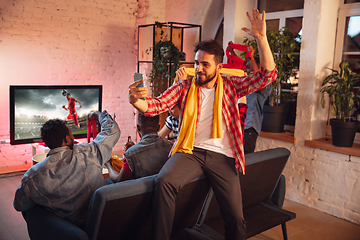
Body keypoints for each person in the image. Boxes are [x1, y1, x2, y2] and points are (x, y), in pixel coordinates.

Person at [128, 9, 276, 240]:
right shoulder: (185, 86)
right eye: (197, 63)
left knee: (236, 218)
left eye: (205, 64)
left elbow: (267, 76)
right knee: (164, 181)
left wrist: (261, 38)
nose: (199, 68)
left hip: (223, 155)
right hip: (190, 151)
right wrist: (136, 100)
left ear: (218, 66)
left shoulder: (230, 87)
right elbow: (157, 105)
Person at [14, 110, 120, 227]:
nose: (73, 136)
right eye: (71, 134)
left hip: (66, 229)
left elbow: (19, 205)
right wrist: (99, 114)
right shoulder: (89, 152)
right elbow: (113, 130)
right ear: (66, 139)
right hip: (101, 223)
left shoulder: (32, 176)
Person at [105, 113, 172, 182]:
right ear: (158, 127)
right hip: (161, 191)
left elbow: (118, 180)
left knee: (107, 181)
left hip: (140, 192)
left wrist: (108, 165)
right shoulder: (171, 146)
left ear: (138, 128)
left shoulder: (131, 154)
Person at [158, 67, 187, 139]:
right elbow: (159, 137)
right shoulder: (172, 119)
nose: (170, 112)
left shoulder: (191, 117)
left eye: (172, 108)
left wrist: (182, 84)